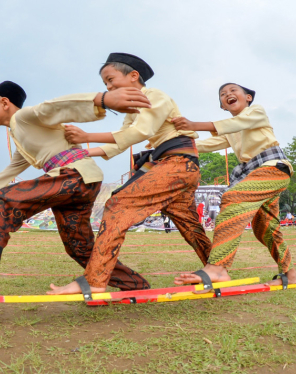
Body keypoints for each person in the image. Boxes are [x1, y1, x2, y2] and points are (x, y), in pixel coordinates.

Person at [0, 79, 151, 297]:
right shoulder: (20, 135)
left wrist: (102, 99)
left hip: (73, 176)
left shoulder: (24, 117)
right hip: (84, 181)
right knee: (79, 247)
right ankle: (135, 285)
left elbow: (54, 107)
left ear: (5, 103)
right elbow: (13, 168)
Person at [49, 53, 212, 296]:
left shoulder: (154, 96)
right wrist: (80, 154)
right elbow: (120, 142)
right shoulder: (131, 111)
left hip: (176, 163)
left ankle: (95, 280)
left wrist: (87, 137)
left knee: (117, 205)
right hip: (174, 165)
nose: (108, 86)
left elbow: (140, 132)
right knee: (187, 221)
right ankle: (216, 267)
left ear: (134, 76)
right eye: (105, 84)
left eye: (111, 79)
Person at [170, 82, 296, 290]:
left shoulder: (256, 112)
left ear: (248, 97)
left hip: (273, 168)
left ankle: (218, 268)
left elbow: (237, 124)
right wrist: (171, 146)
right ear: (223, 105)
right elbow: (205, 144)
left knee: (232, 197)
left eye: (233, 91)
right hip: (253, 174)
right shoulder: (230, 129)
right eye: (222, 94)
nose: (227, 94)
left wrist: (194, 125)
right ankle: (290, 274)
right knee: (265, 228)